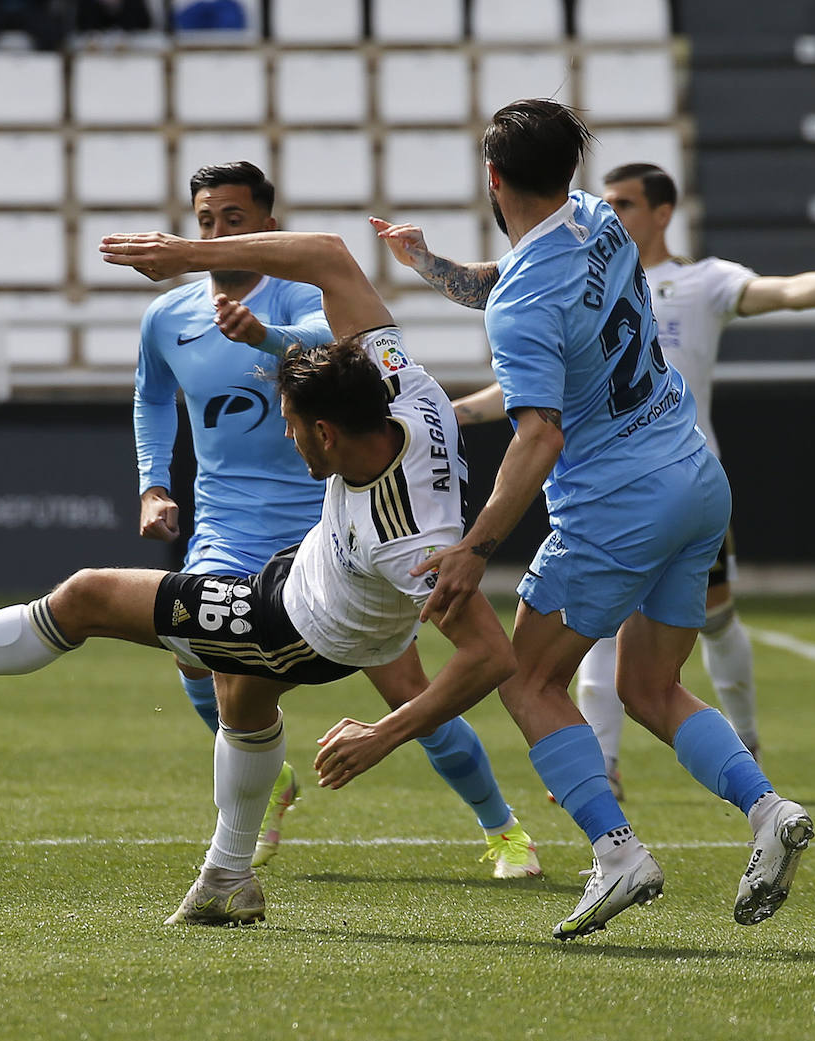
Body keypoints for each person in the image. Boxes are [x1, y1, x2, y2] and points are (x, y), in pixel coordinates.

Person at [0, 228, 525, 929]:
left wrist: (383, 735)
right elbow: (331, 255)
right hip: (301, 574)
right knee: (241, 702)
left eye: (291, 426)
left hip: (300, 627)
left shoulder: (410, 542)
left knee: (87, 597)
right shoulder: (400, 379)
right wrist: (185, 256)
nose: (289, 438)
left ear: (327, 431)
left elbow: (491, 656)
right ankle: (228, 879)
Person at [358, 99, 814, 940]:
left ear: (491, 179)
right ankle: (768, 808)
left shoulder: (521, 304)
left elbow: (537, 435)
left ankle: (617, 853)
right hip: (696, 479)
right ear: (568, 171)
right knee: (649, 685)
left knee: (525, 678)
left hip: (619, 504)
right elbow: (519, 284)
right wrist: (430, 264)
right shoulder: (601, 219)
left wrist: (473, 547)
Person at [427, 162, 815, 793]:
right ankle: (611, 768)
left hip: (659, 475)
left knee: (706, 623)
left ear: (664, 212)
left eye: (626, 202)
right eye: (610, 200)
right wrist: (456, 408)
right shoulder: (591, 263)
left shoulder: (697, 281)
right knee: (610, 649)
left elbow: (784, 291)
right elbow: (531, 380)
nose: (611, 210)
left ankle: (735, 744)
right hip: (664, 484)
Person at [134, 161, 539, 876]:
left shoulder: (305, 298)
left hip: (325, 530)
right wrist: (152, 486)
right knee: (195, 656)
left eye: (233, 219)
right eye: (205, 221)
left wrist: (264, 336)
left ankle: (502, 827)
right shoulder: (167, 318)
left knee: (408, 689)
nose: (219, 231)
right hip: (227, 527)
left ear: (265, 224)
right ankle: (258, 791)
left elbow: (336, 358)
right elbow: (152, 397)